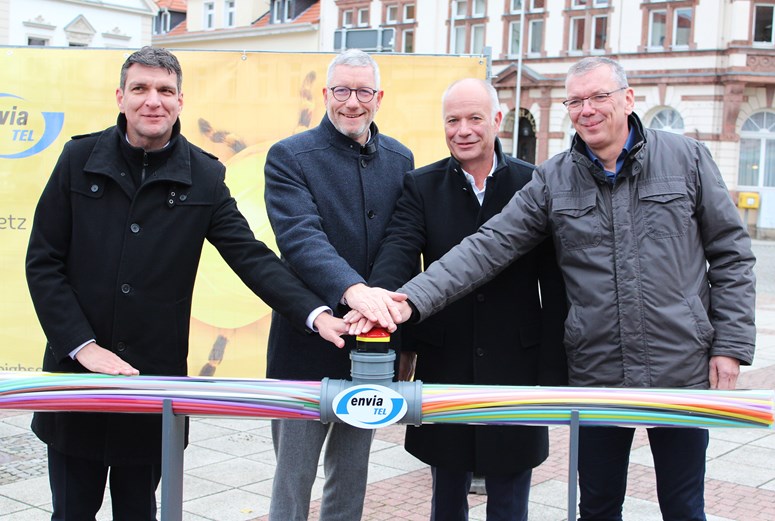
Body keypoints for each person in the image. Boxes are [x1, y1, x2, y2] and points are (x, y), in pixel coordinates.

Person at [350, 57, 757, 520]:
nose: (587, 109)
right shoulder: (554, 179)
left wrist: (730, 344)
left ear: (627, 98)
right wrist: (410, 302)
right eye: (576, 100)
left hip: (681, 363)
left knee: (684, 507)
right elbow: (487, 247)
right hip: (598, 371)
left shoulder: (686, 158)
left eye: (599, 96)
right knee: (598, 506)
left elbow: (731, 253)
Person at [25, 46, 347, 521]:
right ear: (120, 96)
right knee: (71, 512)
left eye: (164, 90)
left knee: (139, 511)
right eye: (140, 89)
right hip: (77, 379)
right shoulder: (77, 159)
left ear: (180, 101)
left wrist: (317, 314)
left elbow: (252, 258)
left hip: (152, 380)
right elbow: (43, 263)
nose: (152, 100)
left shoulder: (205, 175)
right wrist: (82, 346)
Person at [364, 78, 567, 520]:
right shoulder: (421, 185)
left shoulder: (534, 183)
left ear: (497, 120)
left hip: (517, 363)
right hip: (446, 358)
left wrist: (553, 370)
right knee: (447, 492)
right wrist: (379, 305)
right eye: (452, 120)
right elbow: (398, 254)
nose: (463, 130)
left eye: (475, 118)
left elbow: (555, 285)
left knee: (511, 494)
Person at [263, 49, 414, 521]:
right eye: (342, 91)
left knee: (352, 478)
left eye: (364, 91)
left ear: (379, 97)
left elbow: (400, 240)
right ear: (326, 93)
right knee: (293, 481)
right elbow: (301, 238)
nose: (353, 102)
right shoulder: (289, 156)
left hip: (372, 346)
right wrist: (353, 292)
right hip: (305, 344)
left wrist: (376, 307)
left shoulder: (400, 158)